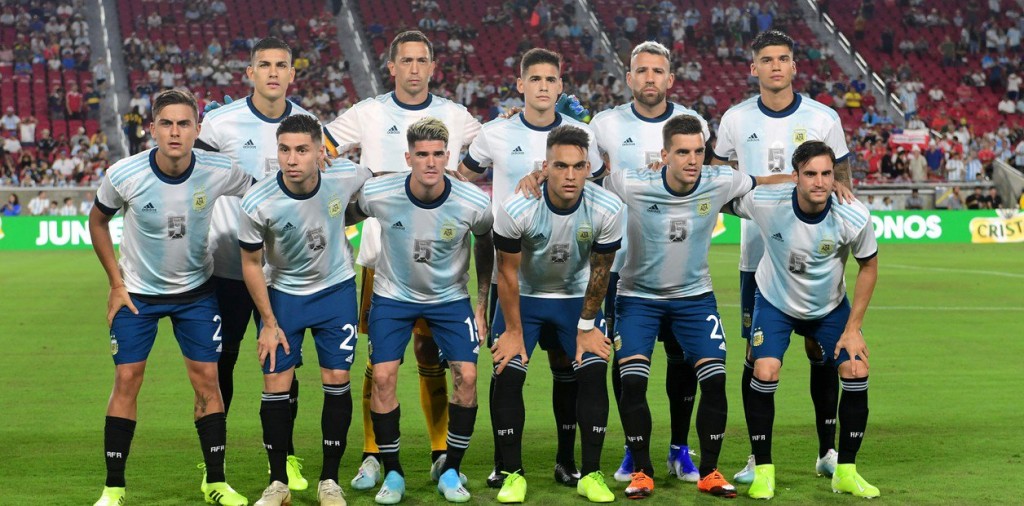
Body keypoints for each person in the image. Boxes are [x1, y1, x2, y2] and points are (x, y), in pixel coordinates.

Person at [323, 30, 482, 490]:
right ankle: (374, 455)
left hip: (440, 260)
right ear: (391, 67)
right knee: (380, 361)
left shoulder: (456, 115)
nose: (414, 68)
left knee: (433, 354)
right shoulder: (369, 112)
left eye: (422, 60)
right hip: (383, 255)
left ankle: (441, 452)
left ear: (433, 66)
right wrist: (363, 181)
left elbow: (489, 150)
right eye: (406, 60)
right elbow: (322, 149)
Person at [600, 115, 789, 500]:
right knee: (632, 381)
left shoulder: (720, 180)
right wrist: (538, 178)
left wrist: (807, 179)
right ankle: (642, 471)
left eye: (699, 151)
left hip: (695, 299)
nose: (692, 160)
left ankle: (710, 472)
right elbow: (587, 186)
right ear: (664, 154)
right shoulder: (633, 182)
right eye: (683, 152)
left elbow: (762, 181)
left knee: (715, 380)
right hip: (638, 298)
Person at [89, 89, 250, 506]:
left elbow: (264, 193)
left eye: (183, 124)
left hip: (197, 293)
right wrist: (116, 283)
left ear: (197, 129)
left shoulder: (219, 168)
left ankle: (215, 482)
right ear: (152, 129)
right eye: (166, 123)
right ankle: (113, 488)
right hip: (137, 295)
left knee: (208, 381)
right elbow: (98, 221)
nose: (175, 132)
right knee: (127, 379)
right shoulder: (124, 174)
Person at [457, 47, 603, 490]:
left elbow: (592, 188)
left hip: (569, 276)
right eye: (534, 79)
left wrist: (543, 177)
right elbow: (461, 179)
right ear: (520, 85)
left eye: (550, 79)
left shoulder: (581, 135)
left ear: (561, 86)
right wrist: (486, 218)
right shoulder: (495, 132)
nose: (543, 86)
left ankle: (566, 460)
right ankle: (504, 464)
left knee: (567, 368)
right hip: (513, 275)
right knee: (506, 364)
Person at [714, 29, 853, 485]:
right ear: (753, 67)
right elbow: (721, 180)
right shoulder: (735, 119)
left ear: (794, 65)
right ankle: (758, 458)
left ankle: (828, 451)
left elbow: (842, 183)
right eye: (767, 59)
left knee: (822, 350)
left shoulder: (824, 117)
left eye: (783, 59)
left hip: (815, 258)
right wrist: (763, 193)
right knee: (757, 356)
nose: (776, 66)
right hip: (757, 257)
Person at [196, 37, 317, 489]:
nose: (272, 72)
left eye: (281, 65)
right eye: (264, 65)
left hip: (283, 271)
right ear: (249, 72)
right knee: (220, 364)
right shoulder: (220, 122)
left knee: (283, 366)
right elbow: (193, 178)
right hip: (228, 266)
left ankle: (284, 461)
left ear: (292, 73)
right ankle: (214, 465)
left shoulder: (308, 124)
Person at [588, 40, 711, 486]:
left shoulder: (693, 124)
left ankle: (680, 447)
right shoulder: (604, 124)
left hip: (680, 270)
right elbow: (588, 179)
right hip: (622, 267)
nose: (650, 78)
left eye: (658, 71)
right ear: (629, 78)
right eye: (642, 70)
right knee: (626, 363)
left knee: (683, 361)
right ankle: (633, 447)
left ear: (670, 78)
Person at [353, 117, 492, 504]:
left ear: (448, 157)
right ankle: (393, 472)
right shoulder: (379, 192)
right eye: (422, 154)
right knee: (383, 377)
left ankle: (450, 469)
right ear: (408, 158)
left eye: (437, 154)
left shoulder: (473, 201)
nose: (430, 162)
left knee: (467, 376)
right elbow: (342, 214)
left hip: (449, 298)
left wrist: (481, 303)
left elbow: (485, 245)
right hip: (392, 296)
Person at [730, 141, 879, 499]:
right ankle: (763, 469)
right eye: (810, 173)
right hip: (775, 302)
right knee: (765, 369)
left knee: (856, 368)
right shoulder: (767, 201)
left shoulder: (853, 213)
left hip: (828, 307)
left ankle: (845, 471)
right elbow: (720, 195)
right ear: (795, 176)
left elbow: (869, 266)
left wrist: (853, 329)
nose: (820, 181)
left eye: (826, 174)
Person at [239, 115, 373, 506]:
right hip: (284, 296)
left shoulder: (344, 175)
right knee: (275, 384)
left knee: (337, 379)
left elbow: (377, 179)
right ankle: (277, 483)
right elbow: (251, 264)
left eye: (302, 150)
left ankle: (329, 481)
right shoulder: (258, 200)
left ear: (319, 152)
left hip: (336, 292)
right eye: (284, 150)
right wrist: (268, 323)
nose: (292, 159)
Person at [489, 125, 622, 503]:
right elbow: (507, 274)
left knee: (593, 371)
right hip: (524, 298)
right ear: (545, 167)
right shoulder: (516, 207)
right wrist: (513, 330)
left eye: (578, 166)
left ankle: (590, 474)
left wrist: (586, 327)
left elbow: (601, 272)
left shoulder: (607, 207)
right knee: (507, 372)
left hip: (575, 298)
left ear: (588, 168)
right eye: (561, 166)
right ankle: (512, 474)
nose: (570, 175)